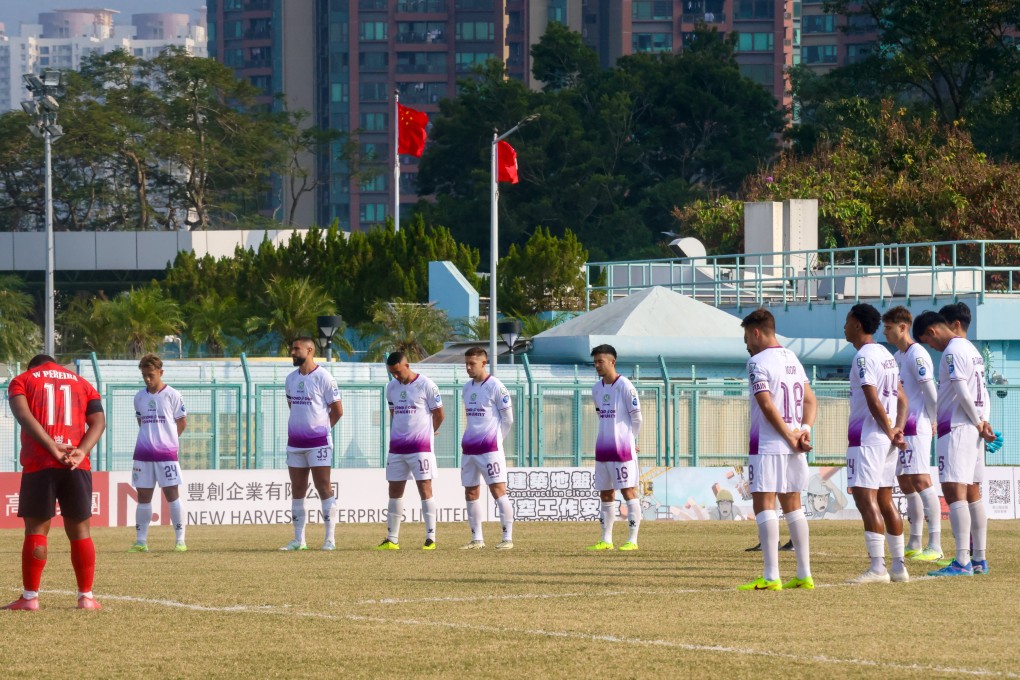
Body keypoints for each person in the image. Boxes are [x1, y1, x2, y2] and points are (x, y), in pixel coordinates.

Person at [4, 355, 106, 611]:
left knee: (37, 529)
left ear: (32, 367)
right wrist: (81, 450)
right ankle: (86, 597)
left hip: (40, 463)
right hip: (76, 463)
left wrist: (51, 447)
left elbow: (23, 415)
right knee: (81, 530)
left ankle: (30, 598)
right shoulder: (82, 382)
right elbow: (98, 421)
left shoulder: (21, 380)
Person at [736, 309, 818, 591]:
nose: (746, 343)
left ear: (756, 332)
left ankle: (771, 576)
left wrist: (787, 435)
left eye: (747, 336)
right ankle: (804, 574)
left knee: (764, 503)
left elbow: (766, 404)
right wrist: (803, 430)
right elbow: (810, 400)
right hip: (795, 445)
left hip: (769, 444)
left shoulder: (757, 362)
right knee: (793, 505)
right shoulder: (792, 358)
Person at [914, 309, 995, 576]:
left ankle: (962, 561)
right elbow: (983, 390)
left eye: (929, 342)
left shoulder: (951, 351)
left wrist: (976, 421)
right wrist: (984, 421)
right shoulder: (972, 350)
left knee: (953, 490)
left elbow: (961, 390)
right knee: (973, 492)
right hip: (973, 428)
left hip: (958, 427)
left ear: (933, 332)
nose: (932, 348)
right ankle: (979, 559)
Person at [843, 303, 909, 584]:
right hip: (888, 440)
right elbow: (903, 399)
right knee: (885, 499)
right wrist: (898, 430)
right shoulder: (886, 355)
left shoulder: (863, 357)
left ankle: (877, 568)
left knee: (865, 499)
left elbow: (872, 400)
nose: (844, 327)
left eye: (847, 321)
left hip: (868, 438)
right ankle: (899, 567)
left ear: (857, 325)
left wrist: (888, 428)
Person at [881, 306, 942, 562]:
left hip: (917, 427)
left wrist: (936, 420)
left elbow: (930, 391)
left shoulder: (918, 354)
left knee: (921, 480)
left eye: (888, 328)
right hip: (901, 428)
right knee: (906, 483)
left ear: (903, 327)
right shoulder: (897, 357)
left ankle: (936, 544)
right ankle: (915, 541)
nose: (885, 332)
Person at [375, 351, 444, 551]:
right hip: (397, 448)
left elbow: (439, 414)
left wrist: (429, 432)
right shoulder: (391, 388)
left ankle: (430, 538)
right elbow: (394, 413)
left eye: (397, 372)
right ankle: (392, 539)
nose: (395, 376)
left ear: (407, 365)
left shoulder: (427, 385)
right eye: (392, 373)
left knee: (425, 488)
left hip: (420, 448)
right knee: (394, 491)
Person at [280, 337, 342, 551]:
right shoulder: (290, 379)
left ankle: (330, 540)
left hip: (319, 444)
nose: (292, 352)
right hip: (295, 443)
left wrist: (322, 430)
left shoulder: (324, 377)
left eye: (296, 348)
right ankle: (299, 540)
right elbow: (293, 406)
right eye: (292, 348)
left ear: (310, 350)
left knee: (323, 487)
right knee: (297, 489)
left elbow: (337, 411)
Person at [128, 354, 188, 553]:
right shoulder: (139, 397)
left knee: (172, 495)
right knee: (143, 496)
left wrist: (168, 442)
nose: (147, 379)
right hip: (143, 455)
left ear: (160, 372)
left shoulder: (173, 395)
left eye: (151, 375)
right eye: (144, 375)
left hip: (166, 455)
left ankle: (180, 540)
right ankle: (140, 541)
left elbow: (182, 423)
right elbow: (141, 422)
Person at [586, 344, 643, 551]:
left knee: (629, 492)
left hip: (622, 450)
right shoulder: (596, 388)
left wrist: (630, 439)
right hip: (602, 449)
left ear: (612, 362)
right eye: (595, 362)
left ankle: (632, 540)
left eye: (600, 361)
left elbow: (637, 418)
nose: (597, 365)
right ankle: (606, 540)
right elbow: (601, 414)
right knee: (606, 493)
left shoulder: (626, 386)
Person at [459, 347, 515, 550]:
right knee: (471, 493)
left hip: (490, 450)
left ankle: (507, 538)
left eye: (472, 363)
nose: (468, 367)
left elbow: (508, 419)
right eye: (466, 363)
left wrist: (496, 440)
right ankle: (477, 540)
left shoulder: (496, 387)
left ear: (484, 363)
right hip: (469, 450)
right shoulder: (466, 388)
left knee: (498, 491)